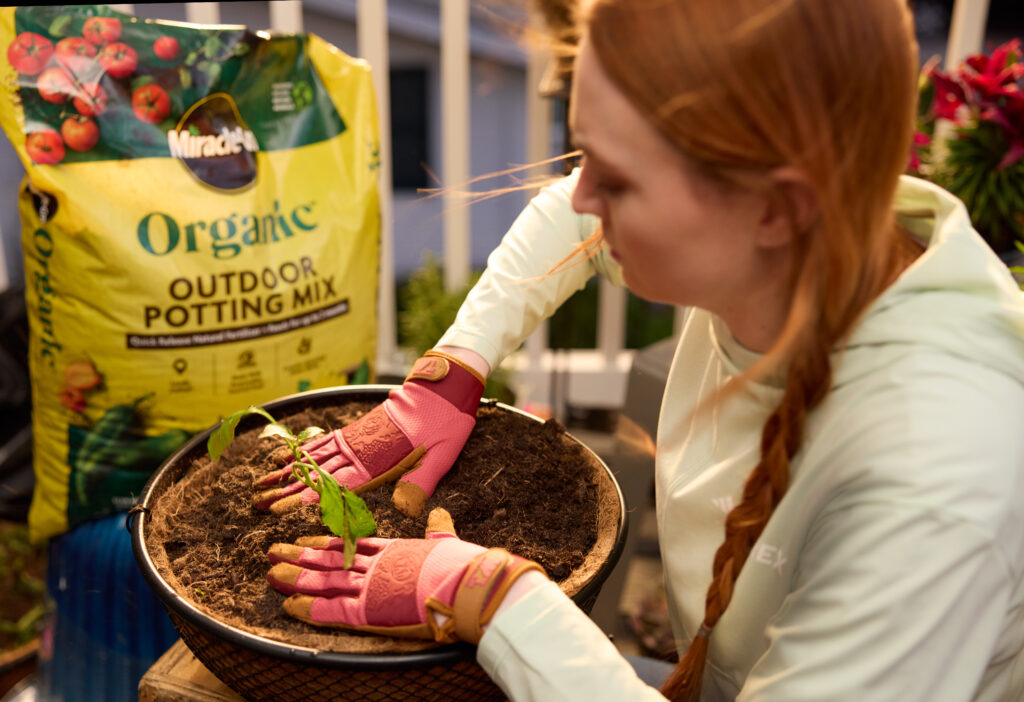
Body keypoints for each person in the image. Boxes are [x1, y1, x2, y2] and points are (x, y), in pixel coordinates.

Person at [257, 0, 1024, 699]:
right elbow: (570, 216)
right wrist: (450, 372)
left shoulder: (937, 473)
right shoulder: (800, 240)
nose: (582, 197)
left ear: (779, 206)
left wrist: (492, 598)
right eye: (584, 153)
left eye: (616, 180)